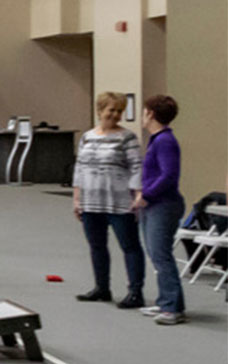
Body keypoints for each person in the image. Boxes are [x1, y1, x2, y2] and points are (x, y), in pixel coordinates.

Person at [72, 92, 146, 308]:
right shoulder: (87, 137)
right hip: (91, 202)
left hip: (120, 203)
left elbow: (136, 167)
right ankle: (101, 288)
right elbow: (79, 169)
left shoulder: (127, 138)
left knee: (130, 247)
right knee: (97, 246)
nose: (115, 115)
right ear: (100, 111)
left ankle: (135, 292)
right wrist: (77, 199)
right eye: (111, 110)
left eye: (119, 111)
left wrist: (138, 194)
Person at [136, 94, 186, 325]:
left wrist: (146, 194)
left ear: (151, 114)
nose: (142, 116)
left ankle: (172, 308)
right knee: (155, 254)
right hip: (154, 204)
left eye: (144, 112)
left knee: (161, 255)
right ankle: (166, 300)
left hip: (164, 206)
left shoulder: (165, 141)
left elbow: (168, 175)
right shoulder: (156, 140)